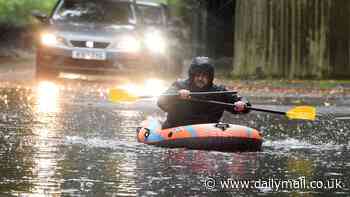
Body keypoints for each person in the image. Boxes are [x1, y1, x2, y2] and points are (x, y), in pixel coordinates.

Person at [157, 56, 251, 129]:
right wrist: (177, 95)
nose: (200, 78)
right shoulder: (179, 86)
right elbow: (161, 102)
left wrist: (243, 104)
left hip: (207, 131)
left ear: (210, 77)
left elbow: (242, 101)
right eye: (197, 75)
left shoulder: (218, 91)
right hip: (177, 128)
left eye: (204, 76)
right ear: (192, 75)